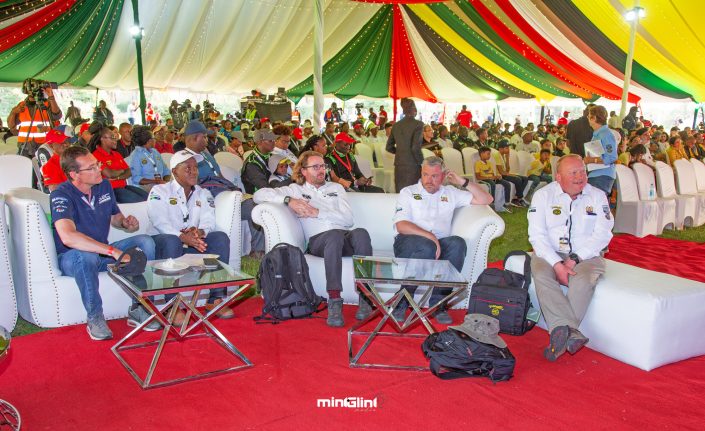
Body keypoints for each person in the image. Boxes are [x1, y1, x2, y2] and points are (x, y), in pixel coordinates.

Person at [253, 151, 374, 327]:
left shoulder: (336, 188)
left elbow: (348, 219)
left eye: (323, 166)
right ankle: (334, 300)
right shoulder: (295, 190)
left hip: (343, 235)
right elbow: (259, 195)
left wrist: (318, 212)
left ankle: (365, 295)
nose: (321, 170)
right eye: (315, 167)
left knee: (361, 233)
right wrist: (288, 200)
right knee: (333, 237)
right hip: (319, 241)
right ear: (303, 171)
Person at [51, 146, 158, 340]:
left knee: (145, 241)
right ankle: (95, 316)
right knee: (86, 255)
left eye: (97, 164)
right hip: (72, 258)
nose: (99, 169)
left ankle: (139, 307)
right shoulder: (61, 195)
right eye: (91, 167)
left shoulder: (103, 186)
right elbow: (68, 237)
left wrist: (125, 223)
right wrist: (112, 251)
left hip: (102, 253)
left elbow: (115, 217)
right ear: (74, 174)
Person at [527, 154, 613, 361]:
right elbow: (536, 236)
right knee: (540, 272)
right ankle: (571, 333)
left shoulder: (598, 196)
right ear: (558, 177)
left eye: (582, 171)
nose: (580, 177)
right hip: (550, 251)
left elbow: (603, 233)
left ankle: (560, 332)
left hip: (587, 254)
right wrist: (557, 264)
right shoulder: (543, 196)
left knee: (583, 280)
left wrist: (574, 258)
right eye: (573, 173)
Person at [391, 156, 493, 324]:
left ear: (444, 176)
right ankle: (402, 300)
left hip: (438, 244)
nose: (428, 180)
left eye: (434, 176)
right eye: (425, 175)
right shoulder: (408, 192)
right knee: (427, 246)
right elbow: (401, 225)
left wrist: (462, 182)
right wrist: (430, 236)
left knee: (457, 243)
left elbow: (487, 199)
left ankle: (439, 303)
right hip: (408, 242)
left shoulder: (451, 193)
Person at [147, 150, 233, 323]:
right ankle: (171, 305)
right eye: (187, 168)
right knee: (172, 241)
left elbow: (209, 219)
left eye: (195, 168)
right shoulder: (160, 190)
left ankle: (215, 298)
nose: (193, 171)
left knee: (220, 238)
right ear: (174, 172)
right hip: (164, 241)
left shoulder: (203, 192)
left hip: (192, 240)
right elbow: (159, 221)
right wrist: (181, 236)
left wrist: (200, 232)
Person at [89, 125, 148, 203]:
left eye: (115, 137)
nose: (116, 140)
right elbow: (109, 174)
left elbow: (129, 172)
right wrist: (122, 171)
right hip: (110, 190)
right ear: (102, 139)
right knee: (139, 202)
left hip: (123, 186)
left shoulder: (116, 154)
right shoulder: (96, 155)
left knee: (148, 197)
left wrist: (117, 177)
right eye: (112, 137)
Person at [7, 79, 62, 158]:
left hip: (44, 144)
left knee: (43, 169)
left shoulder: (47, 103)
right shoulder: (21, 105)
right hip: (25, 146)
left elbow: (57, 116)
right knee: (25, 168)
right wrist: (13, 112)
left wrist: (51, 96)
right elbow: (11, 126)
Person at [386, 98, 424, 192]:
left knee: (401, 193)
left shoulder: (396, 125)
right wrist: (422, 162)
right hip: (413, 165)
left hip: (399, 164)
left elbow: (389, 147)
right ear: (414, 110)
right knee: (414, 194)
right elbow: (415, 148)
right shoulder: (418, 124)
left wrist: (400, 152)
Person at [584, 105, 618, 195]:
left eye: (588, 116)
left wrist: (592, 160)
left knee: (595, 206)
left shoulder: (605, 134)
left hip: (602, 176)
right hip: (596, 174)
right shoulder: (598, 134)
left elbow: (612, 157)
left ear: (594, 118)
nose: (587, 118)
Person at [129, 125, 171, 191]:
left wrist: (167, 182)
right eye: (154, 138)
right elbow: (136, 178)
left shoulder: (155, 151)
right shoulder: (136, 155)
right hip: (145, 187)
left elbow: (166, 170)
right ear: (149, 141)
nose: (155, 140)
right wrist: (155, 182)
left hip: (160, 185)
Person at [474, 146, 511, 212]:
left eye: (490, 154)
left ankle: (506, 203)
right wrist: (490, 177)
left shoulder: (489, 163)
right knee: (492, 184)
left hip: (491, 179)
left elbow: (492, 175)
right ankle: (492, 204)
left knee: (506, 184)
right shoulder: (478, 163)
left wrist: (497, 176)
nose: (489, 156)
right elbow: (478, 177)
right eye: (488, 154)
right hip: (483, 179)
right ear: (482, 154)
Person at [494, 140, 529, 206]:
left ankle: (516, 197)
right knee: (518, 179)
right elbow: (501, 172)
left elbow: (507, 170)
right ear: (501, 149)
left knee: (525, 178)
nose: (509, 149)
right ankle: (520, 198)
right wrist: (512, 174)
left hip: (504, 174)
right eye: (506, 148)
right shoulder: (497, 155)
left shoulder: (503, 155)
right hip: (499, 176)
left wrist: (507, 159)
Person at [39, 127, 72, 192]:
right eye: (61, 143)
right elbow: (56, 191)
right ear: (51, 146)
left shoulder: (75, 157)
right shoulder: (50, 166)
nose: (66, 144)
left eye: (67, 141)